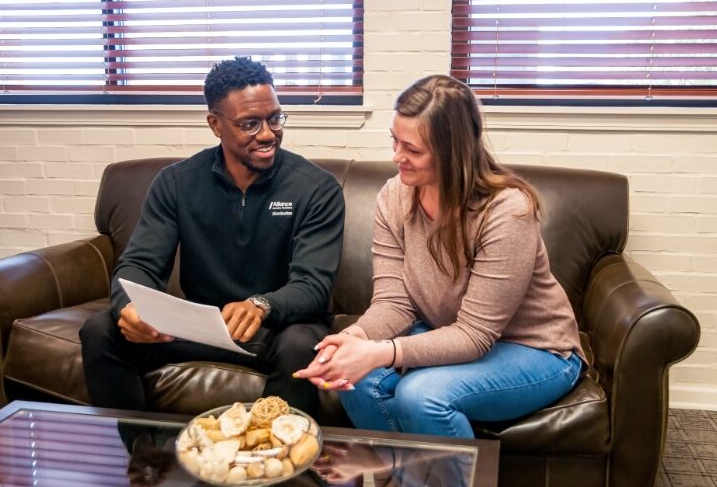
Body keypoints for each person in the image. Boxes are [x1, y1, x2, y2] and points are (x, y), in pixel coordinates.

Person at [294, 74, 585, 440]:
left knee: (422, 396)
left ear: (454, 152)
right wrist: (354, 339)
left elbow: (476, 335)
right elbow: (393, 304)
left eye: (412, 149)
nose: (397, 157)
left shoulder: (508, 211)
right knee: (353, 377)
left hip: (535, 349)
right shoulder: (394, 196)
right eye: (394, 141)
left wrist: (381, 352)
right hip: (445, 333)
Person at [80, 56, 345, 415]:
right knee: (101, 330)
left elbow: (313, 285)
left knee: (301, 345)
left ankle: (278, 465)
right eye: (250, 124)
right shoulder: (177, 183)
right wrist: (131, 307)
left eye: (274, 118)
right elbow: (139, 264)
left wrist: (262, 305)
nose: (267, 134)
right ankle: (142, 461)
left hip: (278, 329)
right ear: (216, 125)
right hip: (202, 325)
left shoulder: (316, 188)